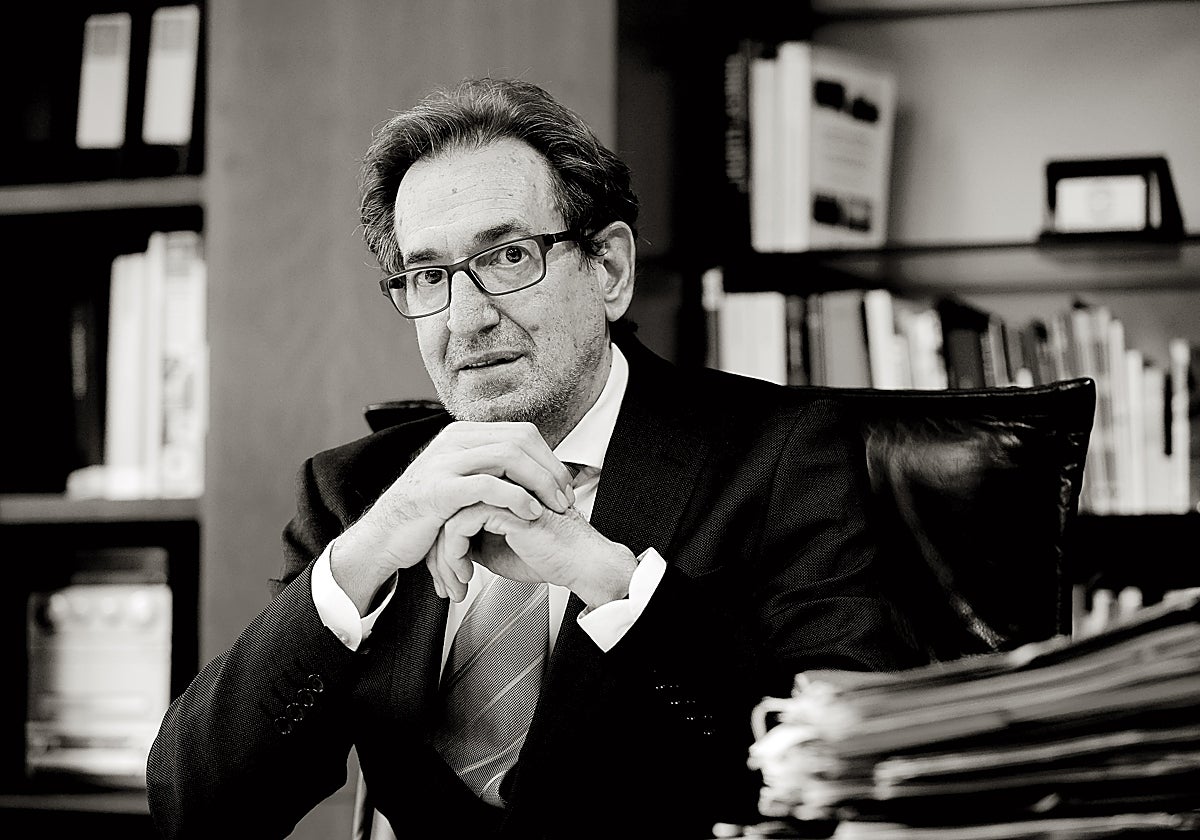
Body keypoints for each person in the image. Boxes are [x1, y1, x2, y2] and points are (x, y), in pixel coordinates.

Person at [146, 76, 922, 840]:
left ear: (609, 269)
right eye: (428, 275)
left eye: (509, 257)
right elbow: (197, 809)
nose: (465, 319)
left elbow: (843, 776)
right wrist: (367, 554)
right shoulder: (357, 492)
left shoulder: (781, 453)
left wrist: (615, 583)